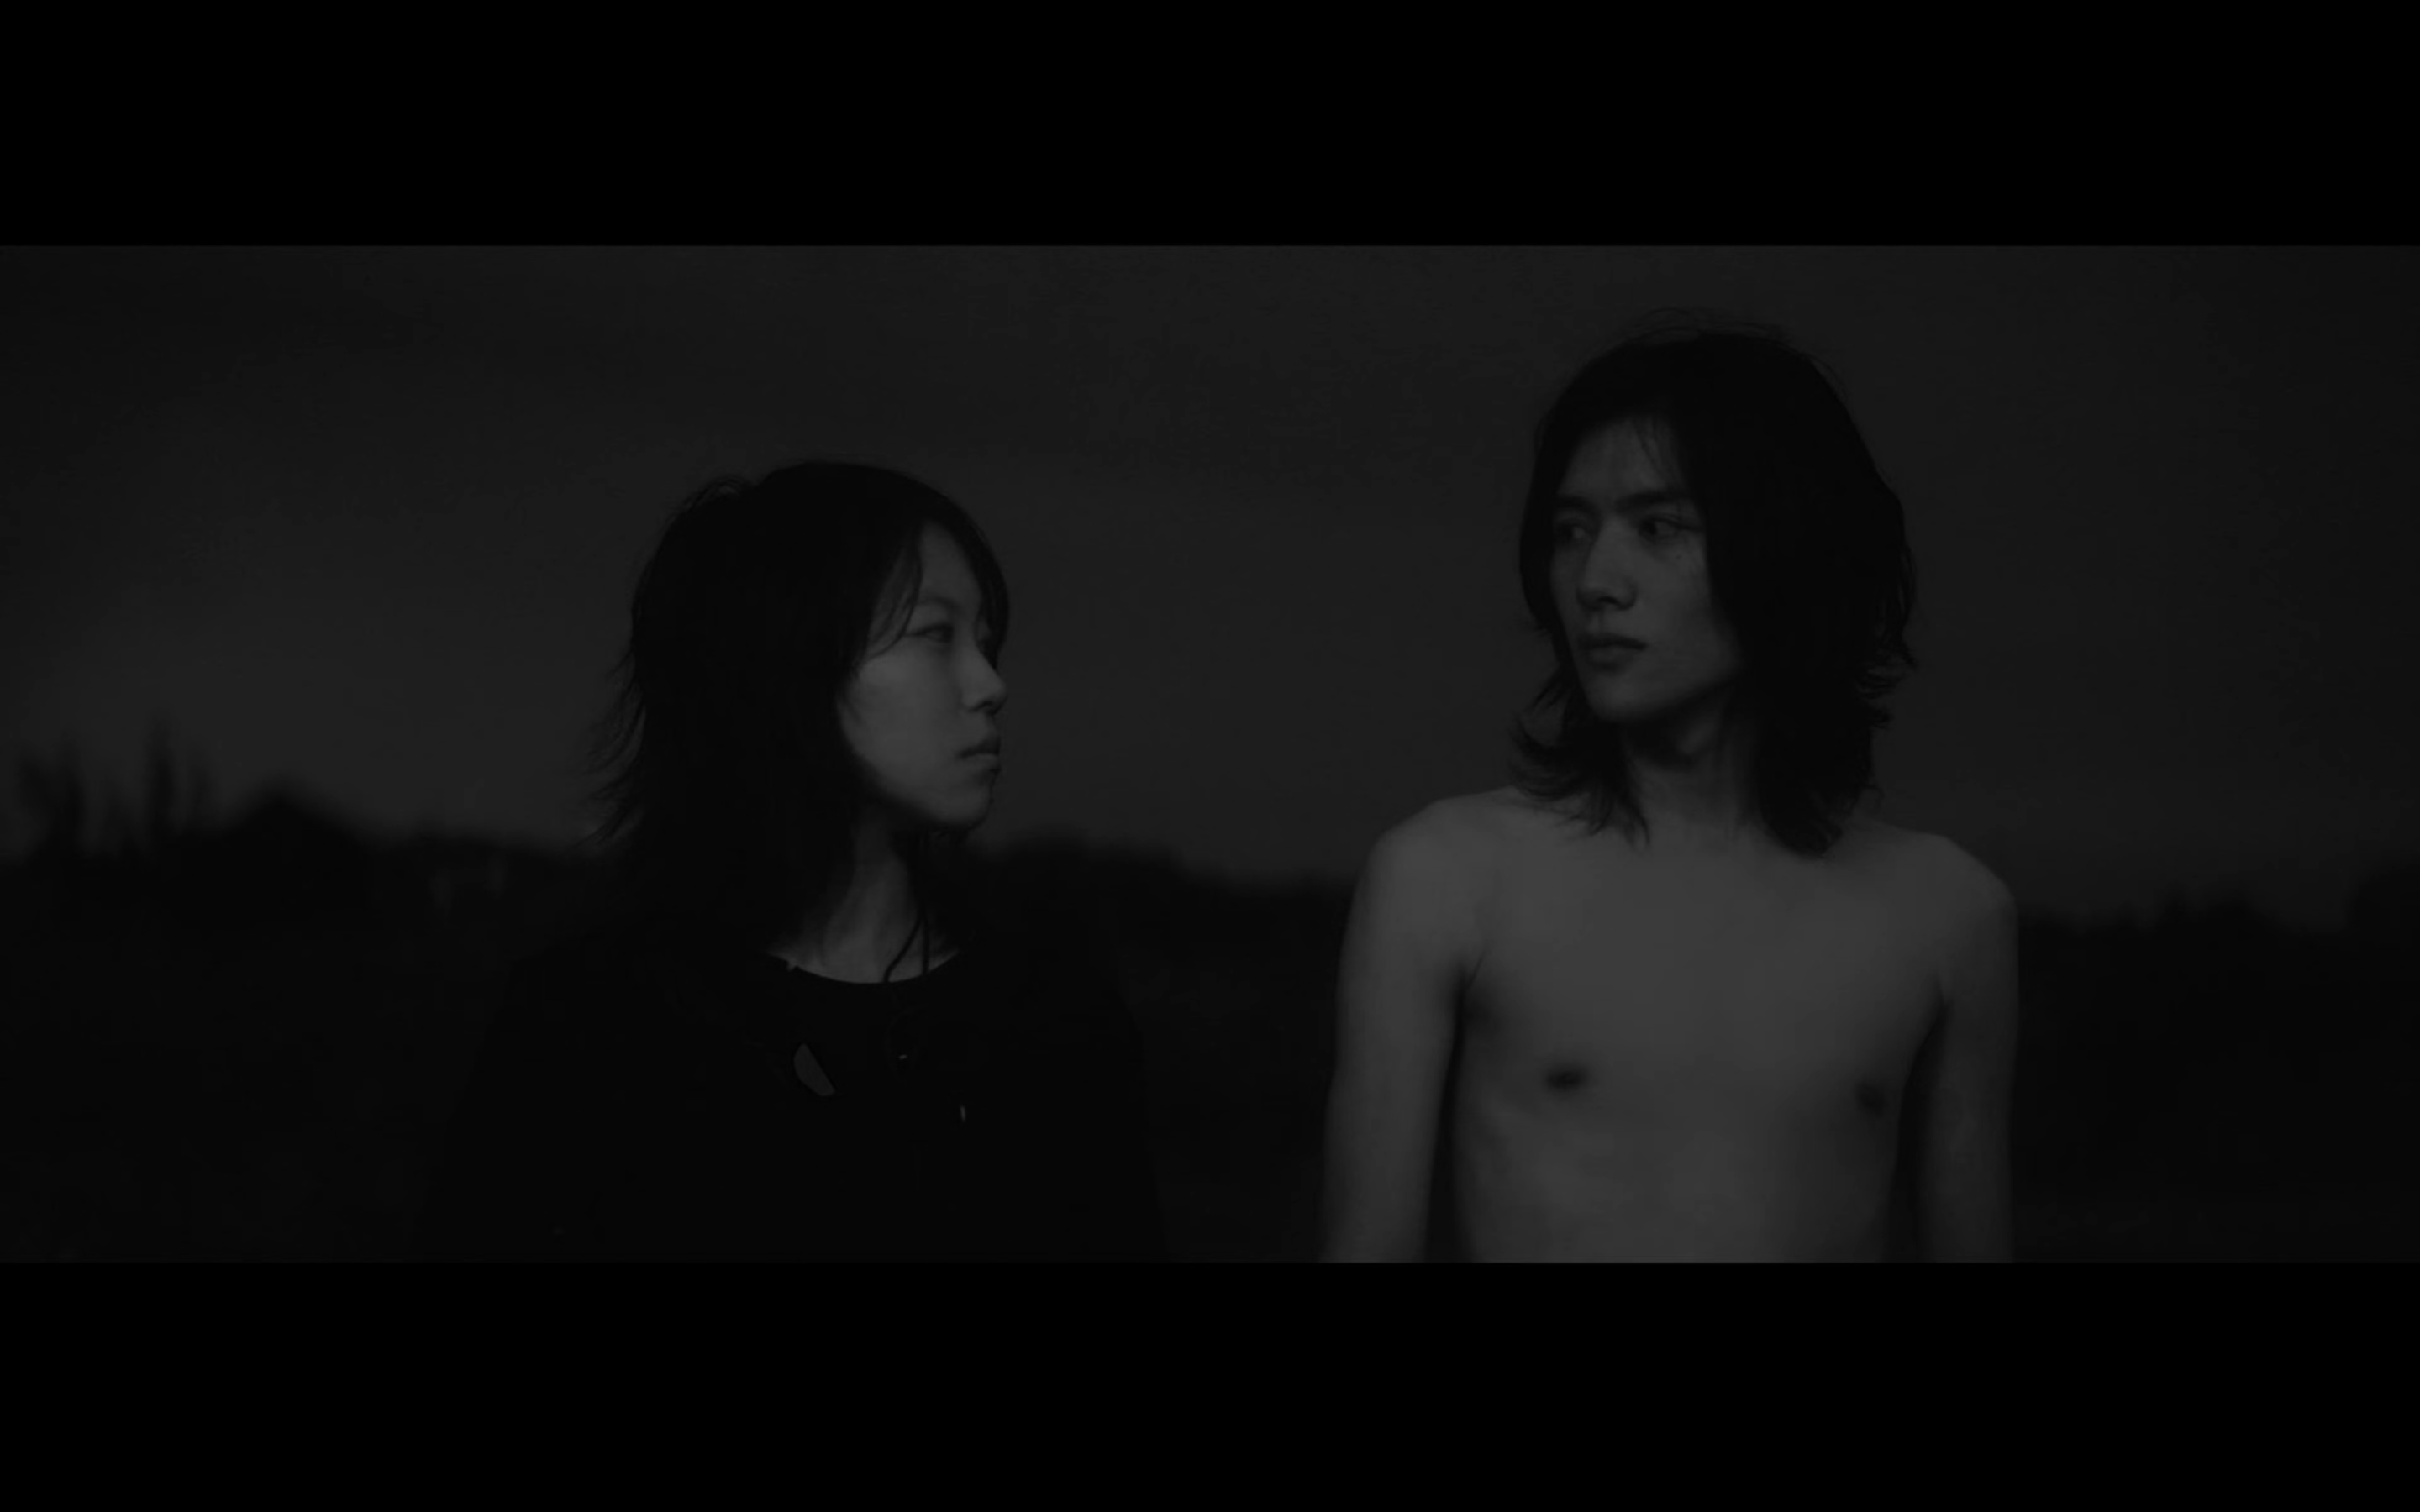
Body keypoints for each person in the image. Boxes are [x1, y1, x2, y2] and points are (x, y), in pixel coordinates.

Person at [1319, 317, 2018, 1263]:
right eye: (1571, 531)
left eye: (1659, 528)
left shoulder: (1949, 916)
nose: (1595, 581)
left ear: (1786, 546)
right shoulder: (1445, 881)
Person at [416, 461, 1165, 1261]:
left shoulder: (1048, 1018)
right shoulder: (596, 1027)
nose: (989, 684)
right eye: (934, 635)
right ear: (785, 662)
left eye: (985, 641)